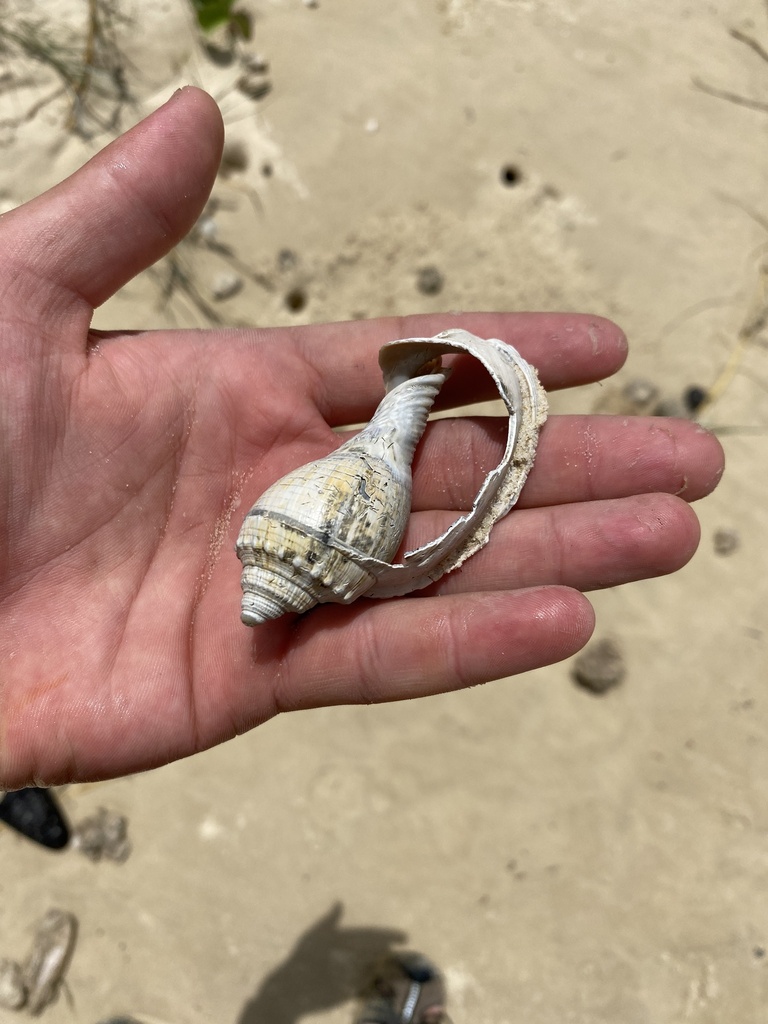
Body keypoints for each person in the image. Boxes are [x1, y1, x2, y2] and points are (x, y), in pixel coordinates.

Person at [0, 87, 723, 789]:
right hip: (319, 531)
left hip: (328, 521)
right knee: (404, 444)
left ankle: (420, 392)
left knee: (400, 435)